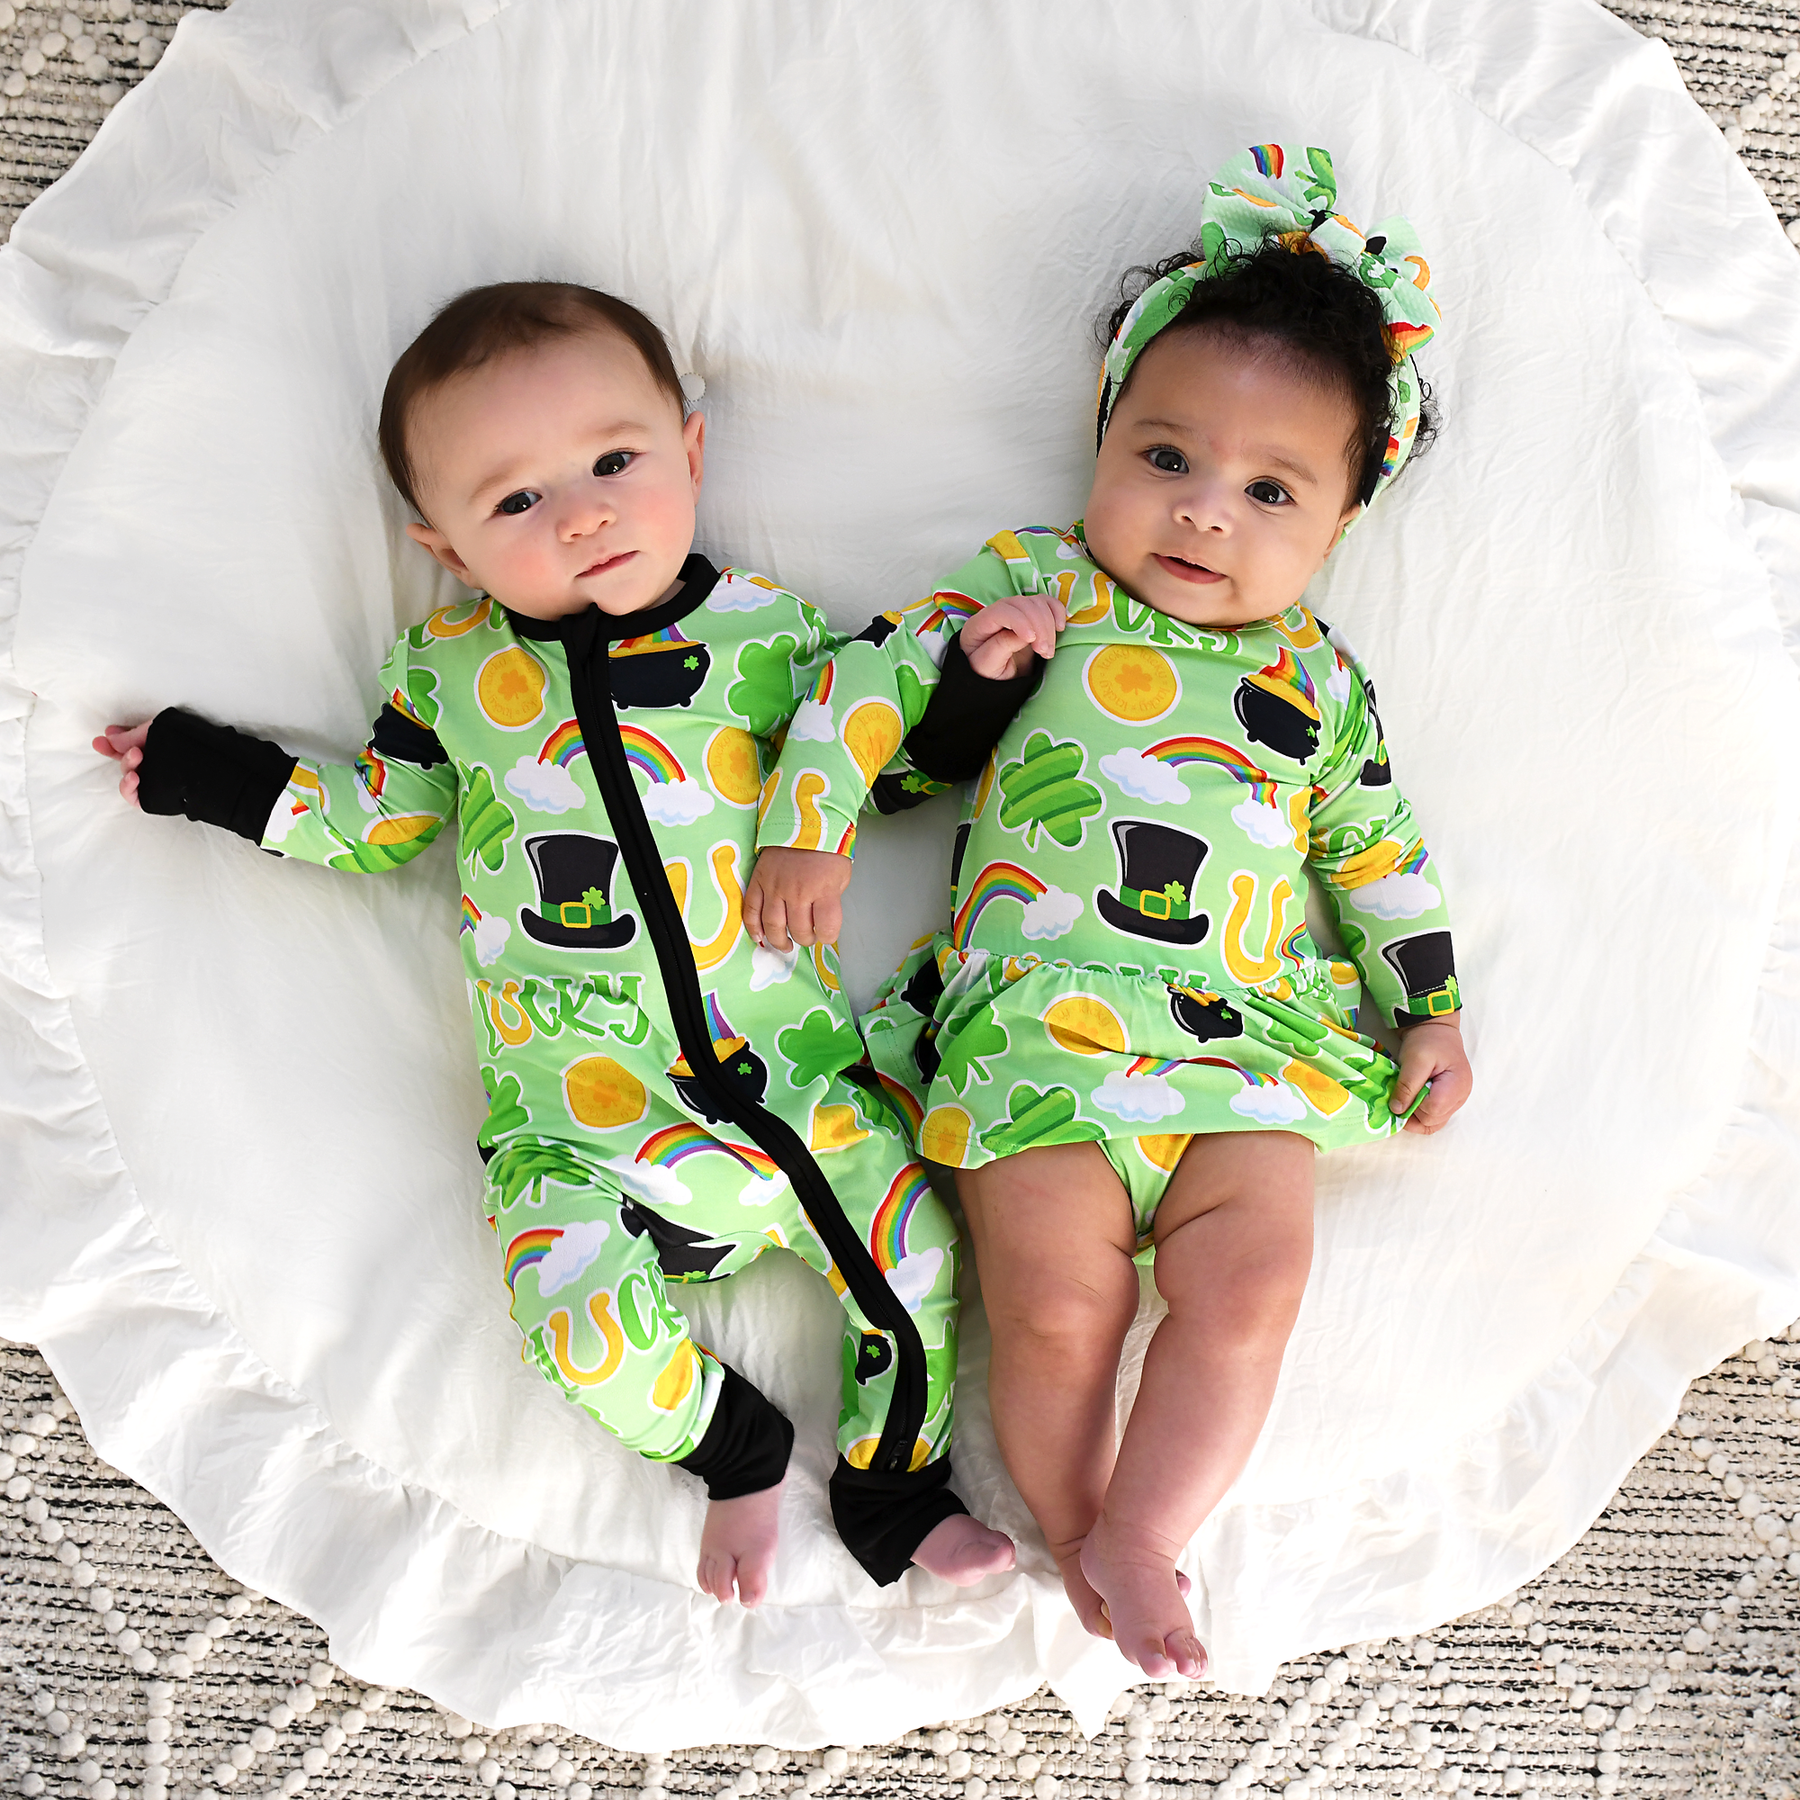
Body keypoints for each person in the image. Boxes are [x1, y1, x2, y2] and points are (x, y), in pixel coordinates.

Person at [94, 280, 1014, 1607]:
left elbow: (888, 774)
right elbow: (378, 823)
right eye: (517, 500)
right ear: (450, 550)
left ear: (690, 453)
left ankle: (896, 1487)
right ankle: (731, 1444)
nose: (582, 514)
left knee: (918, 1255)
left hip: (795, 1094)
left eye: (615, 463)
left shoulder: (771, 638)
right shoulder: (449, 673)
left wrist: (974, 687)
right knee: (573, 1323)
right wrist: (212, 775)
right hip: (576, 1125)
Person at [744, 145, 1474, 1677]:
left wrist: (1430, 1009)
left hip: (1247, 1043)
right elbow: (865, 684)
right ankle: (1086, 1537)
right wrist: (843, 797)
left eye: (1268, 491)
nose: (1204, 514)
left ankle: (1149, 1532)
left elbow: (1379, 853)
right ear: (1102, 436)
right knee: (1054, 1304)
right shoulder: (1043, 585)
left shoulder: (1320, 681)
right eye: (1165, 457)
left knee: (1254, 1285)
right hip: (1040, 1033)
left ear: (1338, 524)